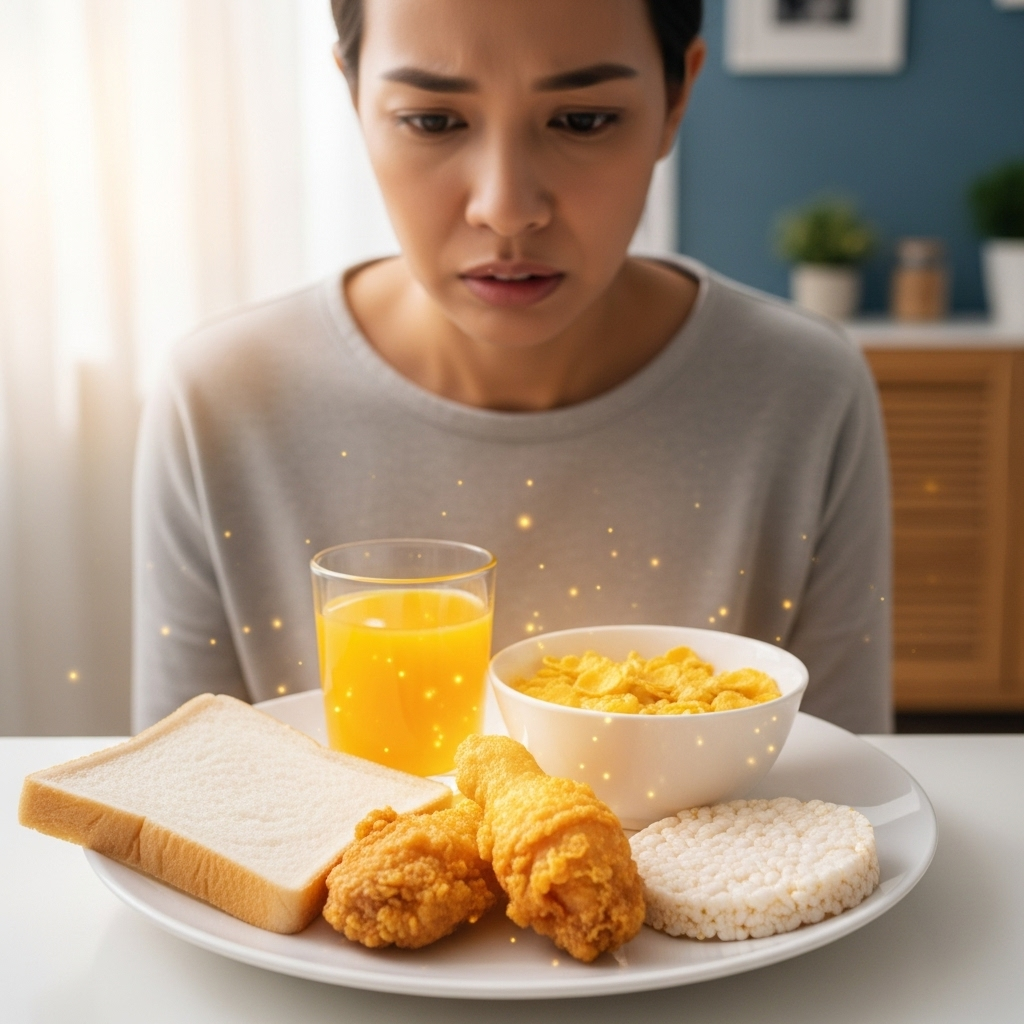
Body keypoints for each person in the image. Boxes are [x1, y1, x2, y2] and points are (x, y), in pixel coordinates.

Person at [132, 0, 892, 734]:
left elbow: (849, 800)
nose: (506, 208)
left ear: (675, 96)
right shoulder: (223, 396)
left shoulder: (803, 390)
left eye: (584, 120)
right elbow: (177, 812)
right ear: (353, 95)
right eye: (432, 120)